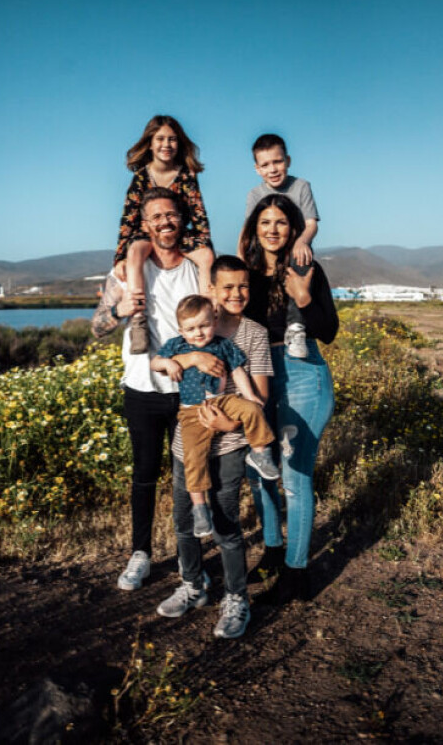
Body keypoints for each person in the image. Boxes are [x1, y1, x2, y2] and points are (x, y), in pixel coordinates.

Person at [156, 255, 274, 639]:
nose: (236, 294)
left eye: (243, 286)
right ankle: (193, 585)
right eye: (227, 287)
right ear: (211, 290)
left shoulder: (252, 333)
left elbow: (260, 395)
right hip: (185, 439)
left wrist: (230, 423)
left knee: (225, 525)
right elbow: (160, 363)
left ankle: (236, 597)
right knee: (185, 521)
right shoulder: (192, 325)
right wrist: (189, 356)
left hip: (230, 442)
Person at [92, 187, 200, 591]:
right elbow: (98, 327)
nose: (165, 223)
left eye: (171, 215)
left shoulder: (196, 268)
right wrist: (119, 310)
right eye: (156, 217)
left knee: (189, 476)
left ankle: (189, 557)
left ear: (182, 218)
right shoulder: (125, 272)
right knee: (144, 474)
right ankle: (140, 554)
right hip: (141, 387)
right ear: (144, 224)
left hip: (189, 389)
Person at [238, 194, 338, 602]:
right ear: (254, 229)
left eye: (281, 222)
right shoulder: (244, 273)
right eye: (265, 222)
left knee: (295, 478)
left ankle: (297, 571)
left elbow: (328, 329)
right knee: (259, 470)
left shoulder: (307, 269)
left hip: (302, 375)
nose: (273, 230)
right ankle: (273, 551)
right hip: (257, 374)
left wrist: (302, 294)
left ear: (293, 228)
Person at [150, 295, 279, 538]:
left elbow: (238, 371)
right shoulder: (177, 346)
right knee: (193, 457)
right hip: (192, 411)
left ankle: (260, 454)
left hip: (224, 401)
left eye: (204, 325)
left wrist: (251, 395)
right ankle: (200, 508)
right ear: (181, 330)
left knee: (253, 410)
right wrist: (168, 364)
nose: (198, 333)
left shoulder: (223, 345)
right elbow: (154, 363)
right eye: (191, 328)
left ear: (214, 321)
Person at [114, 115, 216, 354]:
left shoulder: (187, 175)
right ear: (150, 143)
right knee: (136, 251)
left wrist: (205, 247)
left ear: (179, 143)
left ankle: (210, 310)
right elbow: (127, 218)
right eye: (160, 139)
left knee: (206, 257)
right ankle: (139, 320)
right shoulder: (140, 177)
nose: (166, 145)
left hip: (180, 233)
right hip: (146, 233)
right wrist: (120, 258)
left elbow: (199, 215)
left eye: (172, 139)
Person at [245, 133, 320, 359]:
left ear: (288, 161)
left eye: (277, 162)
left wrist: (301, 240)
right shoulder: (255, 194)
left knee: (301, 257)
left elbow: (311, 224)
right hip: (265, 251)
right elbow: (249, 229)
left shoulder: (300, 186)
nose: (273, 169)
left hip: (294, 250)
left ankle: (296, 328)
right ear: (257, 169)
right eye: (266, 165)